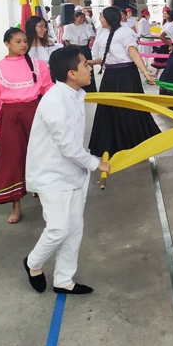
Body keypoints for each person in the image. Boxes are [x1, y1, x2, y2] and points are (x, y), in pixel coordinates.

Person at [24, 46, 110, 295]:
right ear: (72, 73)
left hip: (72, 173)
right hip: (51, 174)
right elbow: (68, 146)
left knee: (74, 229)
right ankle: (33, 263)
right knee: (59, 228)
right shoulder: (55, 101)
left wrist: (88, 165)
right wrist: (96, 163)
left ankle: (64, 280)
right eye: (85, 64)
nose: (89, 68)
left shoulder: (75, 95)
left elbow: (72, 147)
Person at [0, 28, 54, 223]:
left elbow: (49, 90)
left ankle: (43, 193)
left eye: (25, 41)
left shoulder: (37, 65)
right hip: (11, 117)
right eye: (18, 41)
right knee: (13, 158)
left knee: (40, 153)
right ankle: (16, 205)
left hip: (35, 113)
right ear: (7, 44)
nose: (23, 45)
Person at [88, 7, 160, 159]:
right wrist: (92, 62)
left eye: (102, 17)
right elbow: (106, 56)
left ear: (110, 18)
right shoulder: (102, 33)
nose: (100, 20)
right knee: (109, 110)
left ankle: (134, 143)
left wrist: (146, 73)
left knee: (129, 109)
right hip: (110, 77)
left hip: (127, 76)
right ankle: (111, 144)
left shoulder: (125, 32)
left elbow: (133, 53)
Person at [61, 11, 97, 92]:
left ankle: (89, 87)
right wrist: (70, 47)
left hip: (84, 48)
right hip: (73, 48)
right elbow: (65, 39)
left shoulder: (87, 26)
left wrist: (91, 44)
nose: (82, 19)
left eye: (83, 18)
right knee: (75, 67)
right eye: (80, 17)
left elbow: (92, 37)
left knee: (87, 66)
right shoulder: (68, 27)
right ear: (75, 18)